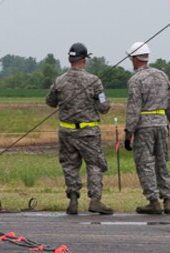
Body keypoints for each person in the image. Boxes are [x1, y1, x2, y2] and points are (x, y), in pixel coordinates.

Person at [45, 42, 113, 215]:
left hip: (66, 131)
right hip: (88, 132)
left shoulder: (59, 81)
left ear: (70, 59)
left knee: (69, 165)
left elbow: (50, 102)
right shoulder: (94, 81)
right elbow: (104, 107)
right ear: (84, 60)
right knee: (95, 165)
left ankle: (73, 198)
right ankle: (95, 200)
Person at [124, 42, 170, 215]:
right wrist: (166, 121)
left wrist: (128, 132)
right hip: (161, 123)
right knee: (162, 162)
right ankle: (168, 200)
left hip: (144, 125)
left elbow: (134, 108)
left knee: (145, 163)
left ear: (135, 59)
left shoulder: (135, 80)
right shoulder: (162, 75)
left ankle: (153, 201)